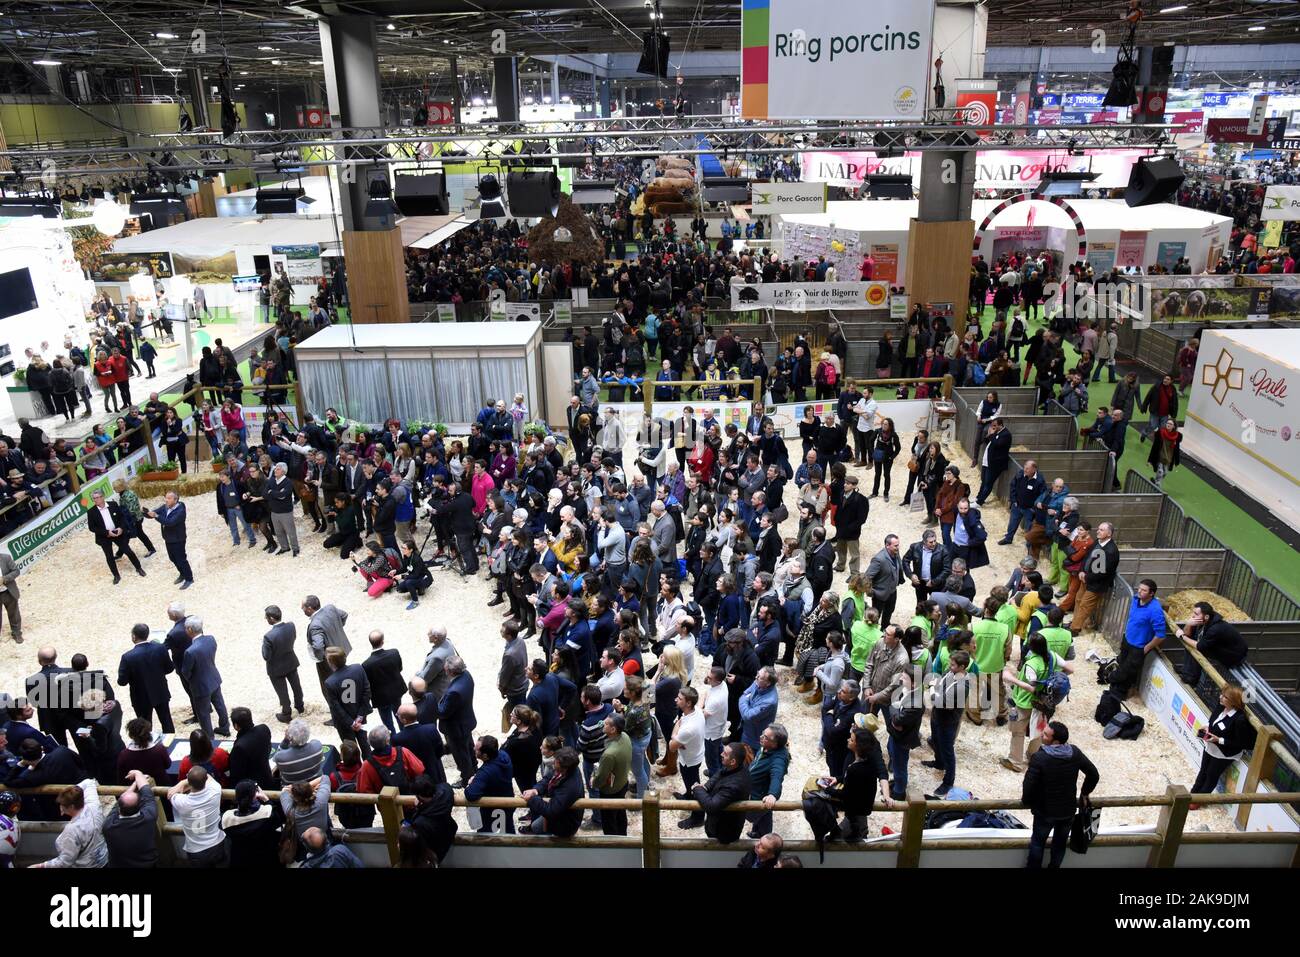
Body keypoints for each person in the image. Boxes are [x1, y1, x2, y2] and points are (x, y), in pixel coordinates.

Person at [1022, 721, 1099, 868]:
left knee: (1038, 843)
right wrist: (1085, 793)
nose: (1042, 735)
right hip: (1067, 811)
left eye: (1045, 734)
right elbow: (1093, 774)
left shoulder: (1040, 757)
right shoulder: (1074, 752)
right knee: (1060, 844)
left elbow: (1029, 784)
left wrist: (1027, 801)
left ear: (1055, 741)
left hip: (1045, 811)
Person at [1189, 685, 1253, 809]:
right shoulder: (1221, 706)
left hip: (1224, 752)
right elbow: (1213, 719)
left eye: (1225, 697)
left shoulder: (1239, 720)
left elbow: (1241, 743)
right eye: (1222, 694)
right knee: (1203, 771)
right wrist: (1207, 726)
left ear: (1234, 702)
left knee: (1211, 776)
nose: (1220, 697)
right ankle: (1192, 794)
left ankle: (1199, 800)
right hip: (1211, 746)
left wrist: (1219, 740)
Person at [29, 778, 106, 868]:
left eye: (63, 805)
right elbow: (89, 782)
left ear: (72, 806)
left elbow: (64, 862)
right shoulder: (94, 805)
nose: (60, 807)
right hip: (103, 860)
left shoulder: (72, 830)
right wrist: (72, 792)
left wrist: (41, 866)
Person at [683, 740, 751, 841]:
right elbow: (720, 773)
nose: (721, 754)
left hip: (723, 832)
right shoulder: (737, 767)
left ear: (733, 762)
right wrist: (705, 787)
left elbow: (711, 806)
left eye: (725, 754)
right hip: (718, 823)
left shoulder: (734, 786)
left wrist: (697, 789)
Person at [1174, 601, 1248, 689]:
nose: (1193, 616)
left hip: (1234, 655)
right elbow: (1188, 634)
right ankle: (1186, 670)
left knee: (1197, 646)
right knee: (1192, 640)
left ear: (1206, 616)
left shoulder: (1215, 628)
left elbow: (1199, 646)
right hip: (1220, 647)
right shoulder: (1205, 621)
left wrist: (1182, 637)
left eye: (1196, 614)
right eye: (1193, 613)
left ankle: (1191, 677)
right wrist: (1188, 624)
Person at [179, 616, 231, 740]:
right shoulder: (210, 639)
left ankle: (209, 737)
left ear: (190, 629)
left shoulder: (190, 651)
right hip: (214, 678)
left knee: (203, 714)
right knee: (220, 705)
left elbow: (185, 672)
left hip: (200, 686)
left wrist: (192, 680)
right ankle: (225, 727)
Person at [117, 622, 174, 733]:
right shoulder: (160, 648)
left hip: (140, 697)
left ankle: (147, 747)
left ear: (134, 636)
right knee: (166, 721)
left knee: (144, 728)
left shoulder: (127, 657)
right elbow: (170, 668)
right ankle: (170, 744)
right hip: (160, 692)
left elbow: (122, 682)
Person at [168, 766, 229, 867]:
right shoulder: (215, 790)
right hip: (217, 843)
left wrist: (182, 782)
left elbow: (171, 793)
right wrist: (186, 781)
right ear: (205, 780)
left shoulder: (180, 801)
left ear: (188, 780)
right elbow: (208, 776)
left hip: (196, 850)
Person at [221, 779, 286, 869]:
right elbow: (279, 826)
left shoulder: (226, 819)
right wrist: (267, 800)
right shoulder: (268, 814)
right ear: (255, 795)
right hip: (266, 859)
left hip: (241, 860)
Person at [522, 745, 584, 837]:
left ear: (565, 768)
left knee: (537, 829)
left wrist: (532, 798)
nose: (553, 764)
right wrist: (535, 790)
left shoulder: (569, 788)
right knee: (536, 826)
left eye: (556, 763)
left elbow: (551, 811)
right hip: (558, 814)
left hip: (563, 824)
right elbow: (548, 779)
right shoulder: (568, 768)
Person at [101, 770, 158, 868]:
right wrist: (137, 774)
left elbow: (118, 803)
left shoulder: (108, 826)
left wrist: (132, 786)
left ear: (120, 808)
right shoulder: (149, 817)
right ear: (140, 805)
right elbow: (146, 792)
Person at [87, 488, 145, 584]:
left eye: (98, 497)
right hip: (104, 536)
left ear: (103, 497)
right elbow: (92, 528)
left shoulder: (113, 505)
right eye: (94, 498)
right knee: (109, 557)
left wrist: (121, 528)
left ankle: (138, 568)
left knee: (128, 551)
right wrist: (106, 532)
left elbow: (122, 517)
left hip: (118, 533)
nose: (96, 500)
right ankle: (116, 575)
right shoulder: (91, 512)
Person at [323, 646, 373, 758]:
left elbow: (336, 707)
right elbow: (367, 691)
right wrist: (360, 716)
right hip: (360, 716)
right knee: (365, 744)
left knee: (351, 749)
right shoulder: (358, 668)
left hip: (344, 723)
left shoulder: (329, 682)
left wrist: (351, 722)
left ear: (331, 663)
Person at [438, 655, 478, 786]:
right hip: (466, 721)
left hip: (456, 728)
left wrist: (434, 705)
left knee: (461, 755)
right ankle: (474, 769)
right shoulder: (466, 675)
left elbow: (443, 712)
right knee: (469, 748)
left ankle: (467, 778)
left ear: (450, 671)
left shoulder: (454, 692)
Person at [261, 605, 305, 723]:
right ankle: (300, 706)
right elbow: (294, 638)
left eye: (266, 617)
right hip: (290, 661)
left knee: (282, 692)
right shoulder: (291, 626)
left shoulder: (268, 636)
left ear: (271, 618)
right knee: (296, 686)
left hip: (276, 668)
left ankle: (286, 713)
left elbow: (266, 656)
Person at [746, 723, 790, 838]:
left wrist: (772, 794)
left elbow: (777, 776)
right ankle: (757, 831)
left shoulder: (778, 759)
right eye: (763, 734)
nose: (761, 737)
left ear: (775, 744)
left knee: (763, 812)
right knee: (764, 815)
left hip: (761, 794)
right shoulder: (766, 747)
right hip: (757, 789)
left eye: (765, 737)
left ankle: (765, 837)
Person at [591, 714, 632, 835]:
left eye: (606, 723)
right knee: (620, 813)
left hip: (610, 791)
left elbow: (600, 778)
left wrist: (593, 781)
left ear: (613, 729)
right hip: (623, 782)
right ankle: (623, 836)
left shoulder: (609, 754)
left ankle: (613, 845)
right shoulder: (624, 736)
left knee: (609, 821)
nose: (603, 723)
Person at [145, 490, 193, 588]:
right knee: (172, 558)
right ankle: (182, 574)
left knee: (181, 559)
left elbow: (170, 522)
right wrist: (145, 513)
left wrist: (156, 516)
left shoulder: (180, 510)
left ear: (175, 500)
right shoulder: (165, 507)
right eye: (166, 498)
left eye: (169, 498)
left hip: (178, 539)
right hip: (168, 538)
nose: (166, 500)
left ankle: (189, 578)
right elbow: (154, 513)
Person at [362, 630, 406, 734]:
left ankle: (393, 740)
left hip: (380, 697)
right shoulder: (394, 653)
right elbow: (400, 668)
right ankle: (404, 735)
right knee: (400, 717)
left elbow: (368, 683)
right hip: (396, 691)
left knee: (387, 723)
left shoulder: (366, 665)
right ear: (382, 641)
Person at [864, 534, 904, 627]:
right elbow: (867, 577)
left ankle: (885, 627)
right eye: (895, 545)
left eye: (898, 545)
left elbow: (899, 566)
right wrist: (870, 592)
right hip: (879, 595)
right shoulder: (879, 559)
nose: (898, 548)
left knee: (889, 611)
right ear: (887, 545)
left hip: (892, 591)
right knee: (876, 616)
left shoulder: (896, 553)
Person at [975, 418, 1012, 507]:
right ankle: (978, 497)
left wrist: (991, 435)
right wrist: (988, 435)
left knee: (988, 483)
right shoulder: (996, 432)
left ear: (1000, 425)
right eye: (992, 425)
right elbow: (988, 441)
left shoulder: (1006, 434)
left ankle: (979, 502)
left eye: (995, 426)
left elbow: (997, 444)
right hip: (987, 461)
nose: (993, 427)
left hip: (995, 464)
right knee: (983, 480)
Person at [0, 551, 20, 645]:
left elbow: (16, 571)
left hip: (8, 592)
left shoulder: (6, 558)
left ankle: (16, 633)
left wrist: (4, 579)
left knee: (14, 614)